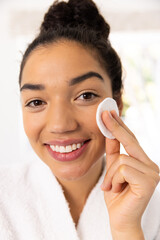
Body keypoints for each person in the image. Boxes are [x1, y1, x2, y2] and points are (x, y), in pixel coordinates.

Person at [0, 0, 160, 239]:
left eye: (85, 95)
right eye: (36, 102)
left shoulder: (153, 207)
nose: (60, 125)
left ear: (116, 102)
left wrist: (127, 229)